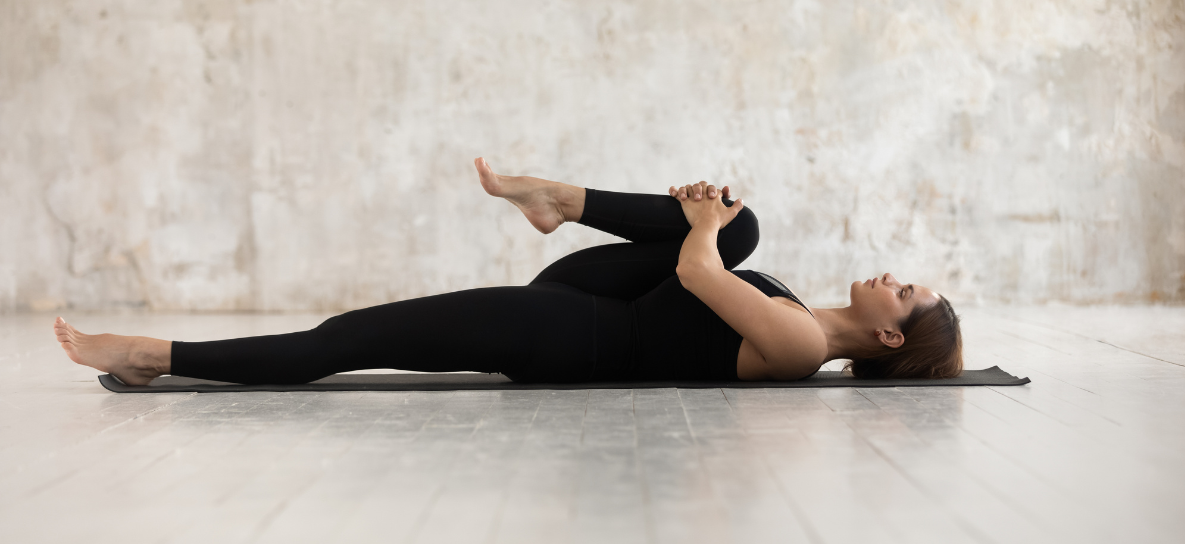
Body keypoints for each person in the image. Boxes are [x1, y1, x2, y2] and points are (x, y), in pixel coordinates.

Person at [52, 157, 962, 386]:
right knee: (747, 222)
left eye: (908, 292)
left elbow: (694, 276)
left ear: (889, 336)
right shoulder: (798, 306)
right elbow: (698, 259)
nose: (896, 276)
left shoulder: (802, 345)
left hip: (574, 337)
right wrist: (718, 220)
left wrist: (701, 226)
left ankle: (155, 354)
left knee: (354, 339)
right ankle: (553, 199)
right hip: (593, 300)